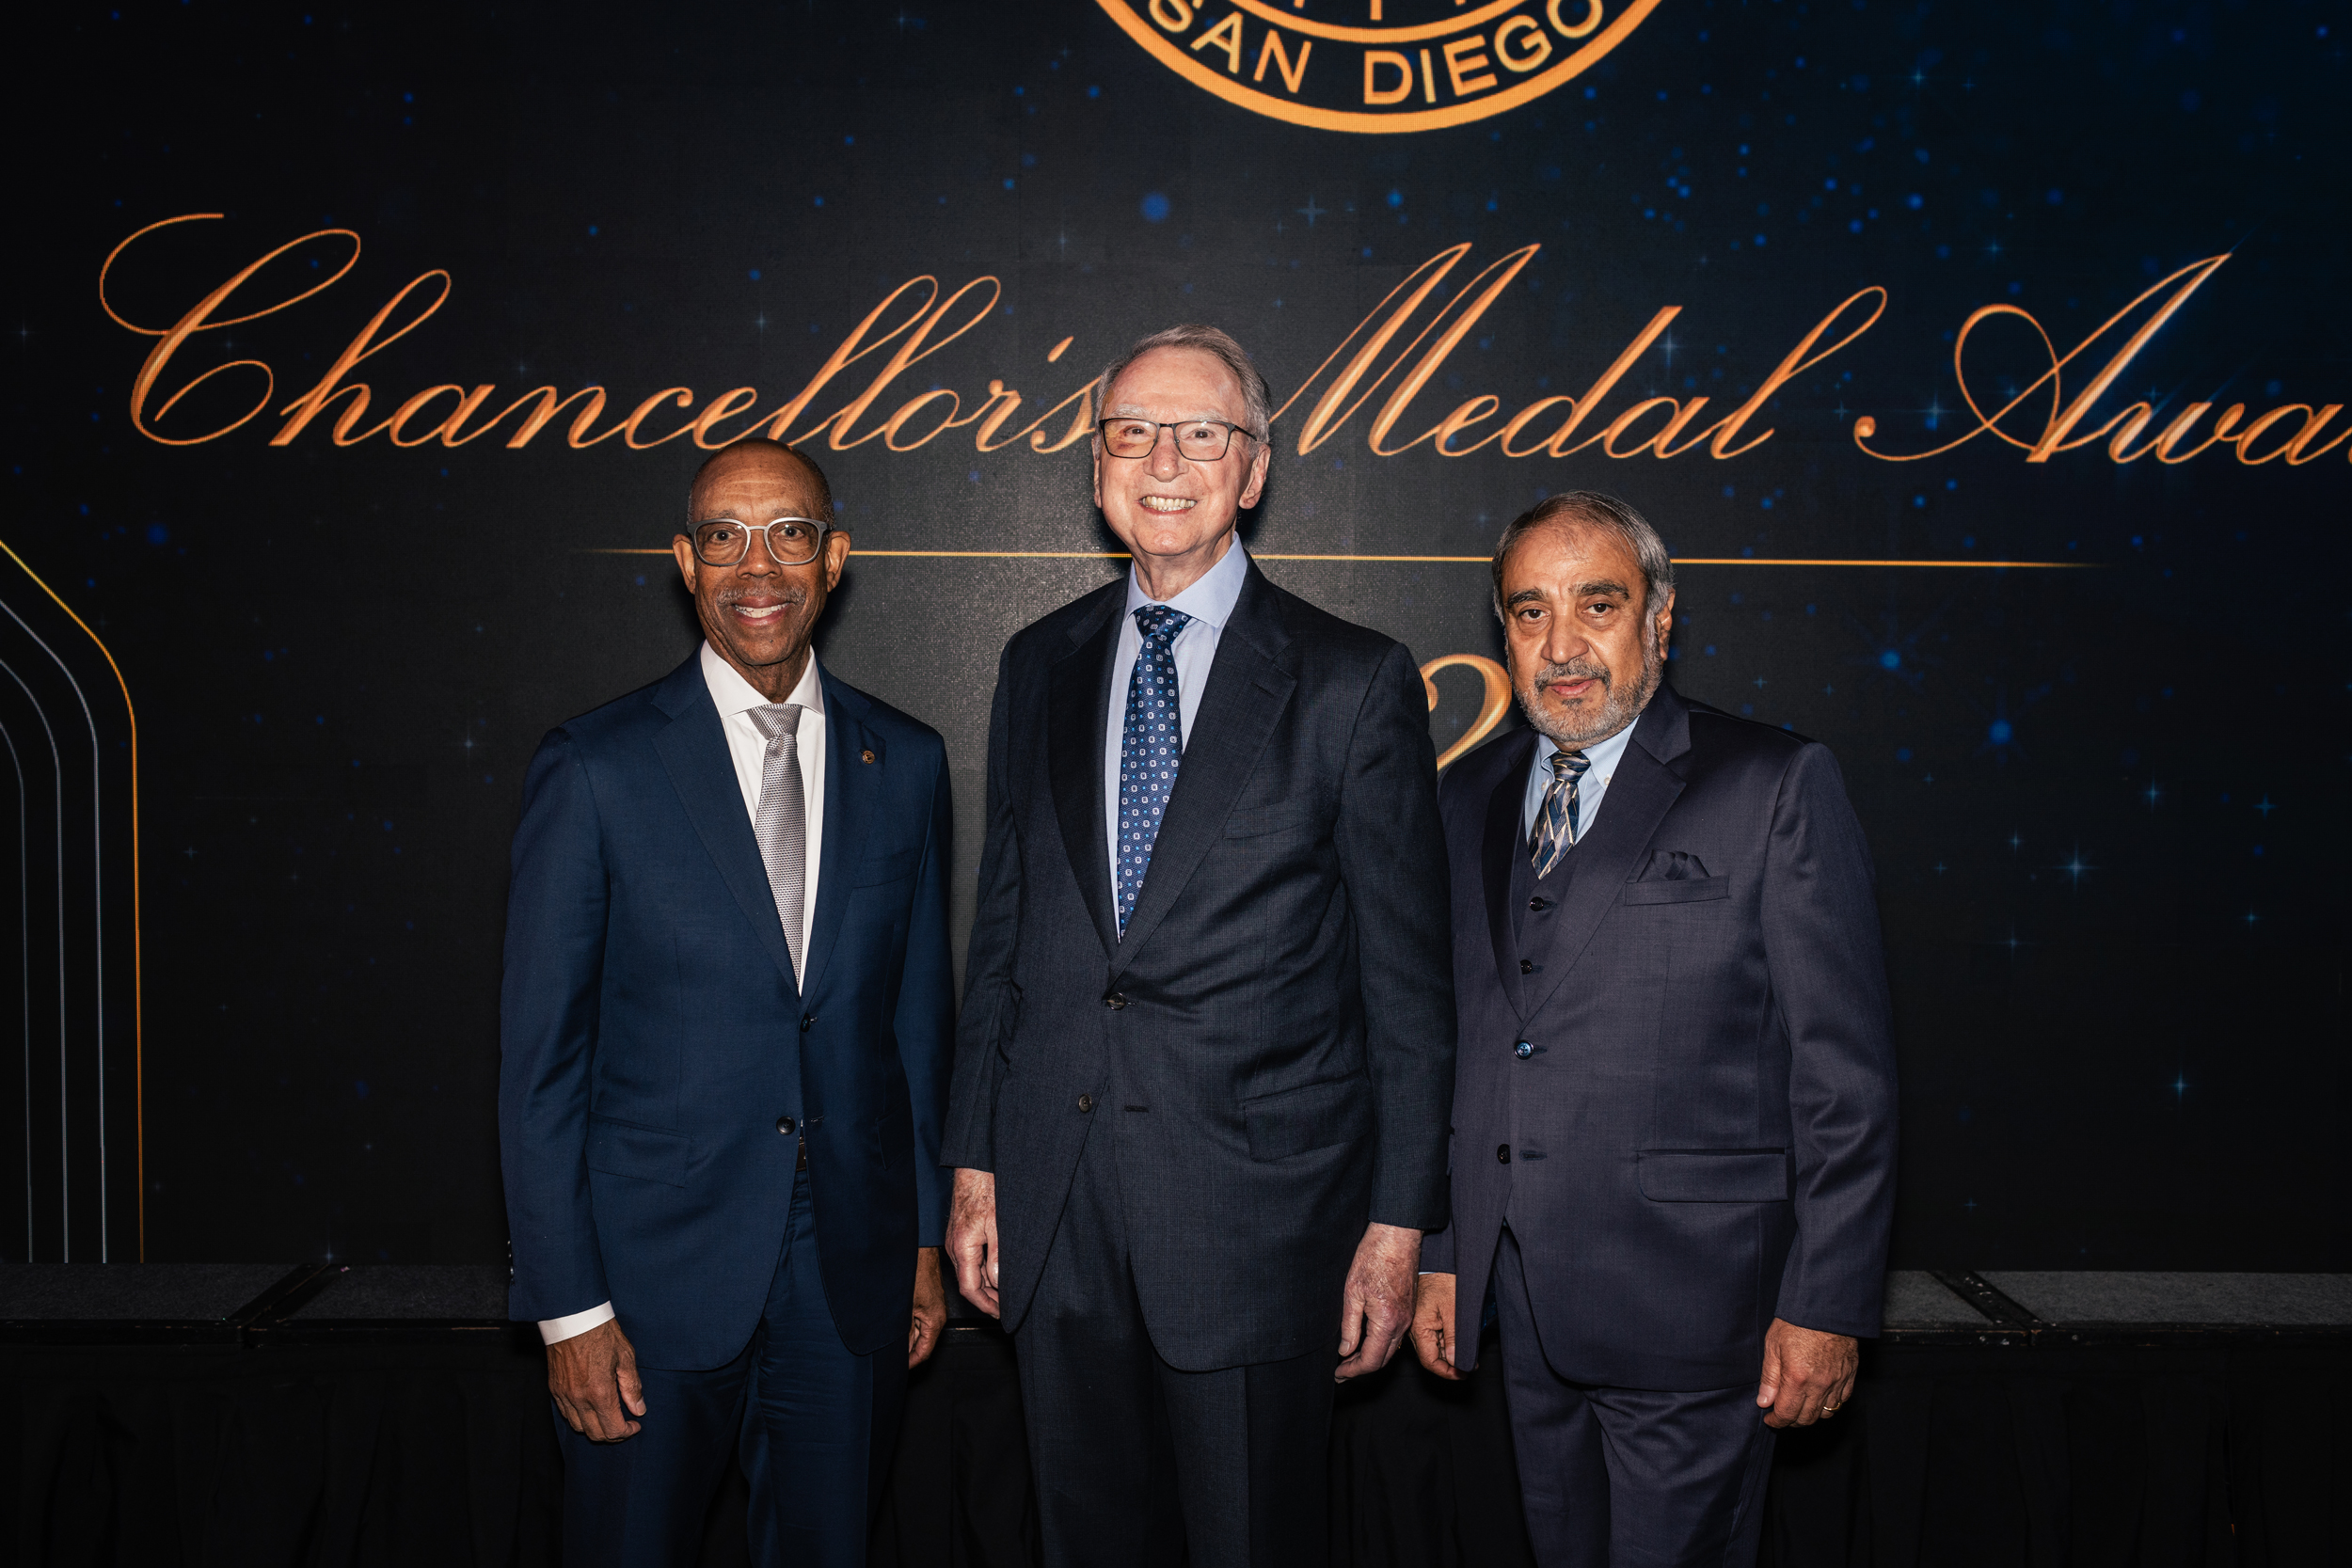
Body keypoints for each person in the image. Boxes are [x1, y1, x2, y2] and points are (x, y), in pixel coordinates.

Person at [940, 325, 1455, 1568]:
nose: (1163, 458)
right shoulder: (1038, 659)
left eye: (1201, 432)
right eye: (1131, 432)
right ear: (1098, 465)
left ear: (1255, 467)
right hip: (1055, 1210)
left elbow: (1408, 989)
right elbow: (1002, 929)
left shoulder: (1352, 681)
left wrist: (1400, 1228)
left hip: (1261, 1223)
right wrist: (972, 1163)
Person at [1408, 493, 1899, 1568]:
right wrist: (1445, 1251)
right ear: (1502, 632)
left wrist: (1826, 1302)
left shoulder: (1772, 783)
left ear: (1660, 619)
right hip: (1522, 1306)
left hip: (1702, 1310)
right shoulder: (1464, 796)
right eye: (1529, 612)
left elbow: (1843, 1077)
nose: (1563, 643)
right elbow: (1463, 1042)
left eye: (1598, 603)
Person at [499, 438, 954, 1568]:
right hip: (646, 1292)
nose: (760, 565)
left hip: (847, 1284)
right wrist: (569, 1308)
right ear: (684, 562)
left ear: (834, 557)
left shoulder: (904, 759)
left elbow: (915, 1024)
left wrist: (923, 1235)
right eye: (724, 536)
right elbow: (539, 1064)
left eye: (789, 532)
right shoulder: (595, 766)